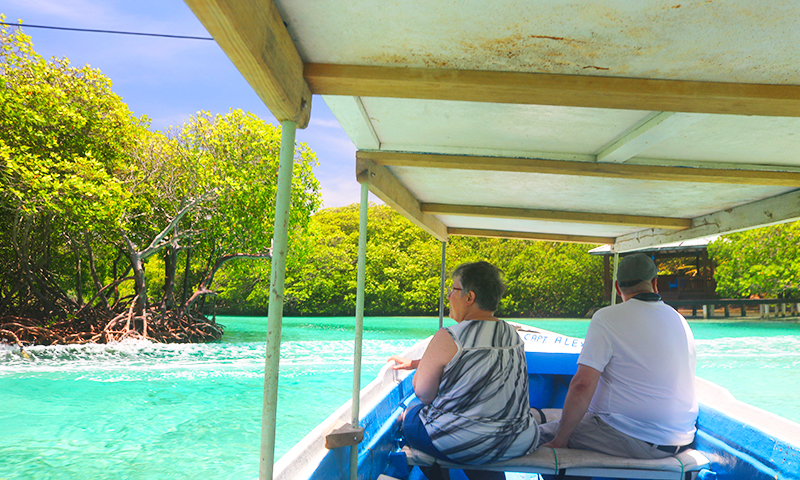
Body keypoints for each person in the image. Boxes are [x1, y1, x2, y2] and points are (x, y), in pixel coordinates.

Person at [539, 253, 698, 459]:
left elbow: (582, 384)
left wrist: (560, 440)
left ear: (617, 287)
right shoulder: (679, 319)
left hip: (633, 436)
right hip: (680, 437)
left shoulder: (606, 318)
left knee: (531, 437)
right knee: (552, 419)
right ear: (655, 283)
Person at [388, 261, 539, 477]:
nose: (448, 296)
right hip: (518, 440)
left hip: (465, 444)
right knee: (477, 432)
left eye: (453, 289)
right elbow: (474, 359)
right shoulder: (511, 334)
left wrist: (418, 376)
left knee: (411, 416)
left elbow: (424, 394)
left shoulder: (449, 336)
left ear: (470, 297)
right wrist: (415, 363)